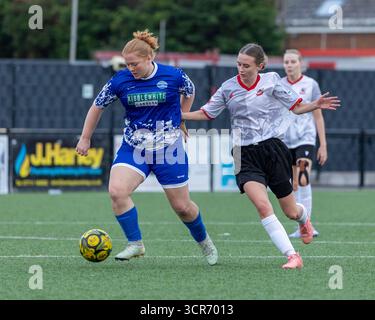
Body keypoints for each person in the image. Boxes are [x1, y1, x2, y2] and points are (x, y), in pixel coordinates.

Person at [182, 43, 339, 269]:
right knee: (263, 206)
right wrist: (181, 115)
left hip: (273, 150)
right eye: (238, 64)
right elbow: (207, 113)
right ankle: (292, 256)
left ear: (260, 66)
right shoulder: (228, 88)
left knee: (291, 211)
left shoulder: (272, 81)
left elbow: (296, 107)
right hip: (243, 153)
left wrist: (315, 104)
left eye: (246, 65)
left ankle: (304, 219)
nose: (241, 69)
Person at [75, 30, 218, 266]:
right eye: (127, 64)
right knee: (117, 192)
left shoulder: (173, 76)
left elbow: (189, 91)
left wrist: (181, 118)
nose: (131, 68)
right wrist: (85, 138)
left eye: (135, 63)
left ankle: (205, 242)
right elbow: (96, 106)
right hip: (134, 147)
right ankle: (136, 244)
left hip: (168, 149)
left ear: (150, 57)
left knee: (183, 208)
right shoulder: (120, 81)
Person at [282, 49, 327, 238]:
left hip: (305, 138)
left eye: (293, 61)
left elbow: (318, 115)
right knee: (293, 185)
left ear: (301, 63)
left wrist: (323, 144)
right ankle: (300, 224)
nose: (289, 65)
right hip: (285, 140)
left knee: (303, 177)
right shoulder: (279, 85)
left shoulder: (310, 85)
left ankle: (307, 225)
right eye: (286, 62)